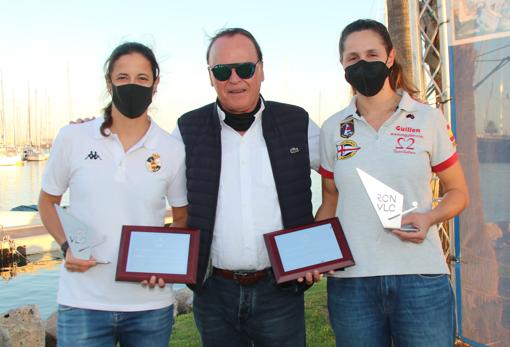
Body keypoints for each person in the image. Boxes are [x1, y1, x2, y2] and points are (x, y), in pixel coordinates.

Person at [315, 19, 469, 347]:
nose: (363, 63)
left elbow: (458, 193)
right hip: (351, 283)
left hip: (421, 279)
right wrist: (311, 254)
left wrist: (429, 217)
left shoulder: (429, 119)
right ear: (342, 64)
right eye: (353, 57)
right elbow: (330, 200)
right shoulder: (332, 129)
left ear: (389, 57)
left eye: (372, 53)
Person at [171, 28, 320, 346]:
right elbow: (149, 178)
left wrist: (318, 251)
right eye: (222, 71)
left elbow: (340, 178)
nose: (234, 79)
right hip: (214, 292)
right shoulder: (187, 128)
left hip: (280, 291)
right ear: (210, 76)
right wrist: (105, 131)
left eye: (246, 68)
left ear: (262, 69)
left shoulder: (297, 122)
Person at [38, 42, 188, 347]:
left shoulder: (172, 149)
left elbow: (182, 216)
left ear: (155, 85)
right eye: (122, 78)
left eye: (142, 78)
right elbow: (47, 202)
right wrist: (67, 245)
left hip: (149, 305)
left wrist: (164, 264)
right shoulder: (74, 137)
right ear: (109, 83)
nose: (132, 85)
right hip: (82, 302)